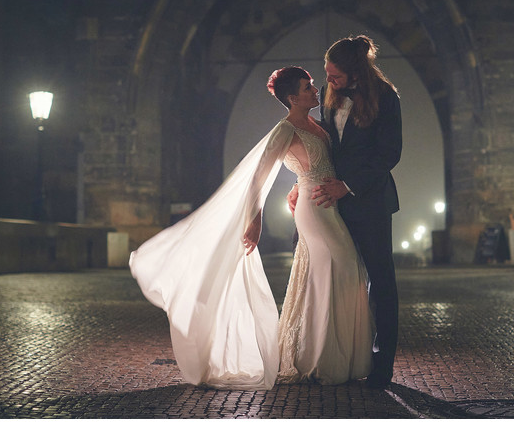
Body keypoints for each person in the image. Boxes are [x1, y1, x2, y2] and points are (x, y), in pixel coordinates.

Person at [129, 66, 372, 390]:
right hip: (314, 211)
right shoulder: (285, 130)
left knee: (332, 272)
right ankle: (323, 359)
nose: (315, 89)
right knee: (343, 265)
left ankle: (321, 355)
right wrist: (254, 220)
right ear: (291, 98)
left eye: (312, 84)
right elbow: (258, 177)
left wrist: (300, 182)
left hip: (325, 201)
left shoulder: (318, 123)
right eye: (306, 87)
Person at [288, 35, 402, 388]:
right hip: (330, 204)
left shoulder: (386, 96)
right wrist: (300, 182)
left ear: (355, 71)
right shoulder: (328, 93)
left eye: (334, 75)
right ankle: (342, 356)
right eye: (326, 73)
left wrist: (348, 185)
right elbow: (323, 147)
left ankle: (382, 366)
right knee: (341, 279)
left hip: (370, 201)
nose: (327, 80)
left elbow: (389, 154)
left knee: (380, 281)